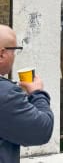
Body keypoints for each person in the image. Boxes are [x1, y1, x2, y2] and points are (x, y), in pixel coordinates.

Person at [0, 25, 54, 162]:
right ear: (2, 54)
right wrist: (37, 93)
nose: (14, 56)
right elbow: (41, 130)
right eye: (15, 50)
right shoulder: (5, 94)